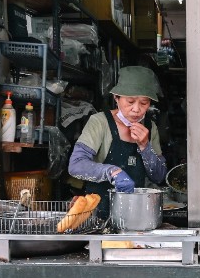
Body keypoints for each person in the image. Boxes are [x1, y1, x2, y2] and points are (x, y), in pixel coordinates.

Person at [68, 66, 167, 216]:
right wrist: (111, 171)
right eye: (130, 101)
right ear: (116, 97)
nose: (136, 109)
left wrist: (145, 146)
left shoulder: (150, 127)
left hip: (136, 215)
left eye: (144, 103)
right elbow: (76, 165)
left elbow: (159, 176)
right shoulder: (100, 122)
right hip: (98, 213)